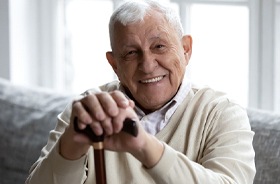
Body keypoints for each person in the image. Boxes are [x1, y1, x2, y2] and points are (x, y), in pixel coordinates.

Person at [26, 0, 256, 183]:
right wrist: (72, 145)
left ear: (186, 50)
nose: (147, 65)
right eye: (130, 53)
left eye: (159, 46)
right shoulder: (89, 109)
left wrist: (144, 145)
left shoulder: (222, 113)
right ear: (114, 64)